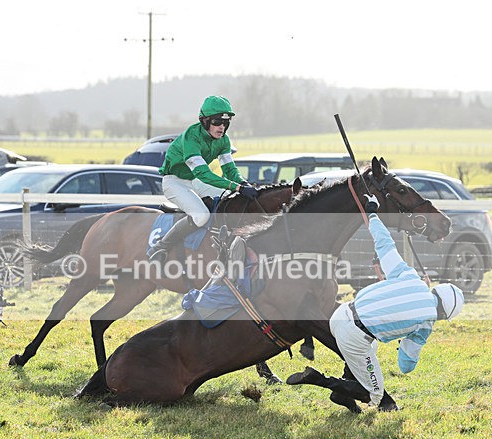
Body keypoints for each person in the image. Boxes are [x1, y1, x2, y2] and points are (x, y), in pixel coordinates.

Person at [286, 193, 465, 410]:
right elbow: (406, 365)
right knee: (375, 395)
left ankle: (342, 395)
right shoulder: (426, 324)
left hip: (341, 314)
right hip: (353, 334)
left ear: (437, 290)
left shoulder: (411, 278)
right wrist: (404, 344)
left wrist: (372, 213)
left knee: (370, 349)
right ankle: (319, 379)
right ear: (444, 315)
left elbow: (385, 246)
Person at [148, 95, 259, 263]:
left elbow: (229, 170)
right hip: (174, 182)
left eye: (225, 123)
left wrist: (243, 184)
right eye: (217, 122)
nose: (222, 127)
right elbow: (203, 174)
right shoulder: (191, 137)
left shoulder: (224, 140)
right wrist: (237, 187)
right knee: (202, 216)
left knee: (233, 199)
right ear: (205, 121)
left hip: (195, 180)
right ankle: (161, 247)